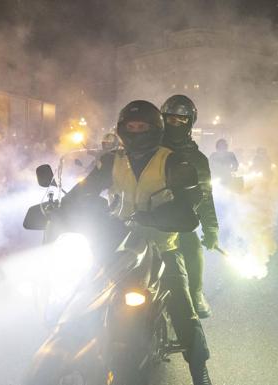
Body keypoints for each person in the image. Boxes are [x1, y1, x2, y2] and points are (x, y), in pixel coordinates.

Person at [66, 100, 212, 385]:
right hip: (117, 247)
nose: (136, 131)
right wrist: (60, 209)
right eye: (130, 127)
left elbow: (188, 211)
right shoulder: (111, 160)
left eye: (142, 127)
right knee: (79, 292)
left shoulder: (173, 161)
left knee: (182, 308)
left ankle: (199, 369)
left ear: (154, 129)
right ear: (122, 129)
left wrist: (157, 217)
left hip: (160, 249)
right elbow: (84, 190)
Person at [160, 94, 219, 319]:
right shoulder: (148, 151)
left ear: (190, 122)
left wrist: (211, 228)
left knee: (192, 247)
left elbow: (205, 195)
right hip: (143, 217)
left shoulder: (197, 159)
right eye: (170, 120)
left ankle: (195, 292)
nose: (174, 124)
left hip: (179, 219)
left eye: (180, 120)